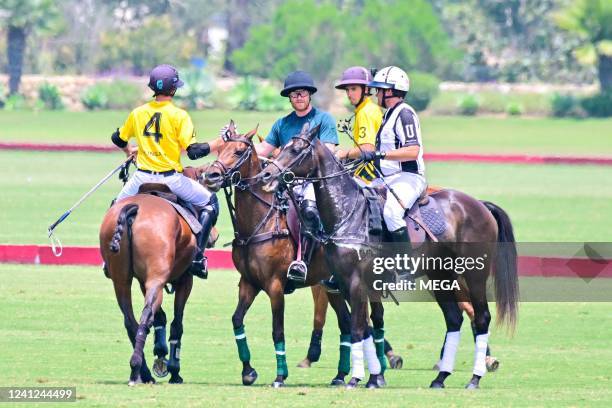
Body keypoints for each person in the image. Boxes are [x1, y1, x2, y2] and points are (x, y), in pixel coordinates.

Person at [112, 64, 223, 278]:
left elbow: (118, 138)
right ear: (173, 90)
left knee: (115, 208)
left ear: (153, 88)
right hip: (171, 180)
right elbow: (194, 152)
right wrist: (219, 142)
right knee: (211, 203)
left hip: (141, 178)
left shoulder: (138, 113)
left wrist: (129, 150)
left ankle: (110, 260)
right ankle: (198, 257)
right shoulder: (179, 116)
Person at [256, 70, 339, 284]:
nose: (298, 98)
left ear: (309, 95)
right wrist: (236, 147)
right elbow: (264, 149)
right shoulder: (282, 124)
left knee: (309, 210)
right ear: (290, 98)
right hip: (286, 183)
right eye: (294, 95)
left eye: (301, 93)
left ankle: (309, 260)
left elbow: (328, 153)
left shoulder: (323, 119)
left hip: (315, 182)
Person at [321, 66, 383, 293]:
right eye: (347, 90)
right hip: (367, 170)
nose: (350, 94)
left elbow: (367, 148)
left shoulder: (367, 111)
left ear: (366, 89)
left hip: (373, 174)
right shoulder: (365, 110)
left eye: (354, 89)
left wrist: (342, 154)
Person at [364, 66, 427, 252]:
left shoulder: (405, 113)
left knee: (392, 214)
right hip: (386, 179)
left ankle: (405, 268)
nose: (376, 95)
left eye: (379, 90)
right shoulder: (389, 114)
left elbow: (413, 150)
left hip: (408, 177)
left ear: (390, 91)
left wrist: (380, 154)